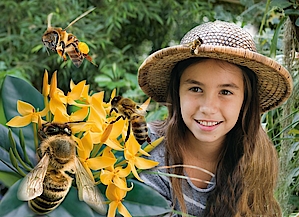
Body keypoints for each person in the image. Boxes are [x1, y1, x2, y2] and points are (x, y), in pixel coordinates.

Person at [138, 21, 293, 216]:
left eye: (226, 92)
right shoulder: (148, 148)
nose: (208, 108)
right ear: (177, 93)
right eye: (195, 89)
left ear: (246, 99)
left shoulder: (257, 156)